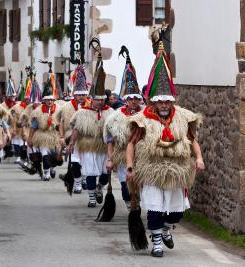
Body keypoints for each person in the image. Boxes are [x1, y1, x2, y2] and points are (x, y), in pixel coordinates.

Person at [126, 41, 205, 257]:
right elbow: (131, 144)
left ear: (171, 102)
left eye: (167, 102)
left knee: (175, 213)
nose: (163, 105)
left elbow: (192, 139)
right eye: (160, 102)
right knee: (154, 208)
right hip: (152, 169)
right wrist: (131, 166)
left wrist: (198, 158)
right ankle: (157, 243)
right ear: (153, 101)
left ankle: (166, 229)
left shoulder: (182, 117)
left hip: (176, 170)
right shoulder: (142, 120)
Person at [68, 38, 114, 207]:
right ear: (91, 99)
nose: (99, 103)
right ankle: (92, 198)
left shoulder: (110, 112)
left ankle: (99, 188)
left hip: (103, 146)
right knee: (90, 173)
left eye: (102, 99)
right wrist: (71, 144)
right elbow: (77, 130)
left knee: (103, 175)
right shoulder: (83, 113)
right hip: (88, 146)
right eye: (96, 100)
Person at [104, 46, 144, 210]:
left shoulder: (145, 114)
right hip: (121, 154)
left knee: (141, 185)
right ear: (126, 99)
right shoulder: (116, 116)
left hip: (141, 155)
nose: (133, 101)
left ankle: (138, 203)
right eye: (130, 99)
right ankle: (130, 205)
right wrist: (110, 158)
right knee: (125, 185)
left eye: (136, 98)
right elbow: (110, 140)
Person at [57, 64, 90, 193]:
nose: (81, 97)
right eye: (79, 94)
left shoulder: (91, 105)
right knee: (75, 162)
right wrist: (61, 137)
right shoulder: (66, 107)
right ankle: (77, 183)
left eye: (83, 94)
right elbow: (61, 123)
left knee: (87, 164)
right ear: (74, 95)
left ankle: (84, 179)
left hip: (87, 140)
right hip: (72, 139)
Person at [28, 71, 61, 181]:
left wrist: (62, 136)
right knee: (45, 154)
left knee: (56, 156)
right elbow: (33, 126)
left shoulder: (59, 110)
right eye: (48, 99)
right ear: (44, 100)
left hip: (54, 136)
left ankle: (52, 167)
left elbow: (62, 125)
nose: (50, 101)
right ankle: (46, 173)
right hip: (42, 136)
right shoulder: (38, 111)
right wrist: (30, 138)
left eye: (52, 99)